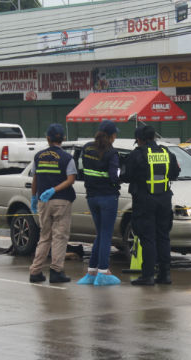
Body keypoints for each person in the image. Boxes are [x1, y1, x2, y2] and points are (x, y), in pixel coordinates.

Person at [121, 125, 180, 286]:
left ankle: (147, 275)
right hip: (164, 199)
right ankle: (165, 274)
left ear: (139, 139)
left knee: (148, 238)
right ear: (154, 138)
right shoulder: (167, 153)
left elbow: (125, 176)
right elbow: (175, 173)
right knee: (163, 236)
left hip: (144, 200)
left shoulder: (137, 154)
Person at [29, 123, 77, 284]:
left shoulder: (38, 156)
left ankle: (35, 271)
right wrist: (55, 189)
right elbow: (71, 179)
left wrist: (34, 197)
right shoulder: (67, 158)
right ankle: (56, 271)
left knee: (44, 237)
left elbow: (35, 178)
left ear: (47, 138)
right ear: (63, 139)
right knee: (59, 236)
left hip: (43, 200)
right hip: (61, 200)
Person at [77, 120, 122, 286]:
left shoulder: (87, 148)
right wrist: (118, 182)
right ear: (111, 136)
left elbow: (82, 170)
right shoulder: (111, 152)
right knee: (106, 234)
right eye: (115, 134)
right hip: (108, 198)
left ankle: (91, 272)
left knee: (101, 233)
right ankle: (103, 271)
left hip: (91, 197)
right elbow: (114, 175)